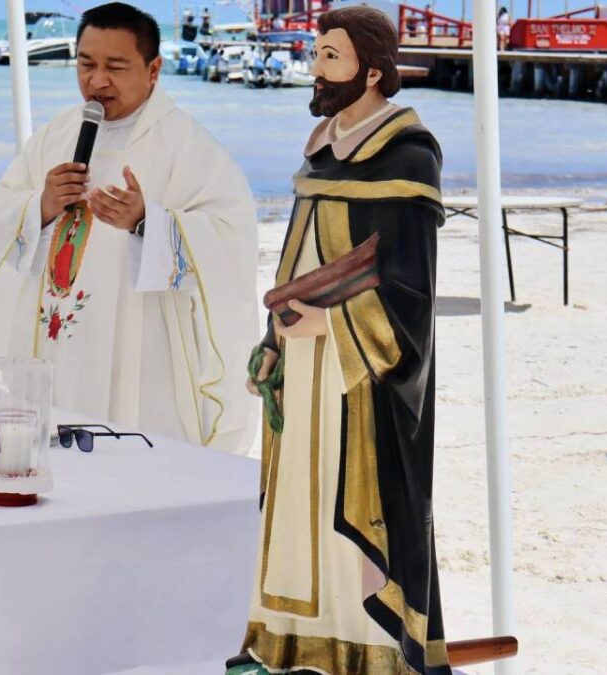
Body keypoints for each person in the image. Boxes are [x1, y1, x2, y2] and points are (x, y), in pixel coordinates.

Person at [229, 5, 449, 673]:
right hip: (303, 362)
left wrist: (328, 322)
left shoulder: (408, 155)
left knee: (352, 505)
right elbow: (296, 259)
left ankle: (372, 653)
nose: (316, 68)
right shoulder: (321, 151)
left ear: (373, 72)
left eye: (330, 56)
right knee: (298, 502)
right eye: (317, 54)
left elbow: (412, 290)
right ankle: (293, 644)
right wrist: (273, 339)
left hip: (360, 372)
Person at [0, 2, 259, 454]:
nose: (97, 81)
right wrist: (41, 204)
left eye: (115, 67)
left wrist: (149, 222)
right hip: (59, 341)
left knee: (135, 458)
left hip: (142, 343)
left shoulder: (185, 144)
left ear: (153, 70)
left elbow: (230, 237)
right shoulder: (56, 135)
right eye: (86, 64)